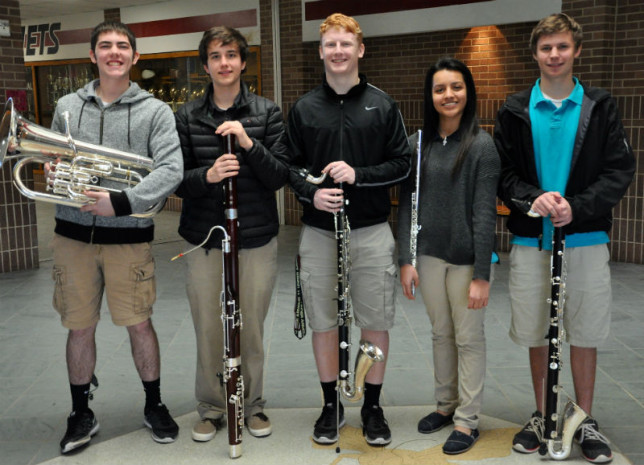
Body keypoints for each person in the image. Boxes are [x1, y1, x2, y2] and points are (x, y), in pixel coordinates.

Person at [494, 13, 635, 464]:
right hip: (532, 241)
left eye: (562, 47)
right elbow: (504, 175)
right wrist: (534, 198)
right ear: (534, 54)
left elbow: (619, 170)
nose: (554, 55)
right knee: (538, 333)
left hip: (585, 237)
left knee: (584, 332)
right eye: (546, 48)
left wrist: (580, 205)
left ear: (576, 51)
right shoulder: (516, 108)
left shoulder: (600, 105)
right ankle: (544, 413)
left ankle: (583, 418)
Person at [48, 21, 183, 453]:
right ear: (92, 55)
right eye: (105, 46)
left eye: (122, 46)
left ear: (135, 57)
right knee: (79, 329)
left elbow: (170, 170)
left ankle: (154, 403)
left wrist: (121, 202)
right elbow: (54, 160)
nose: (114, 52)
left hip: (128, 236)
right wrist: (52, 171)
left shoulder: (156, 111)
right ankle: (79, 412)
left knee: (140, 324)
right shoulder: (67, 106)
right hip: (73, 239)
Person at [286, 13, 411, 446]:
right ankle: (330, 405)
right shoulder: (304, 108)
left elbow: (401, 164)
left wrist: (359, 175)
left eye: (346, 43)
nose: (338, 51)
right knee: (323, 322)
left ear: (360, 49)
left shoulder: (382, 104)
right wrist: (310, 194)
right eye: (330, 44)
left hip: (371, 230)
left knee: (375, 322)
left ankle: (372, 406)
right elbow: (290, 165)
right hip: (320, 233)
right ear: (321, 51)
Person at [174, 26, 289, 442]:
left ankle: (252, 403)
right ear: (205, 65)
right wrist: (206, 176)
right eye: (216, 56)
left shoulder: (267, 113)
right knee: (208, 324)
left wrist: (248, 144)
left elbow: (280, 176)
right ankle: (210, 406)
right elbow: (175, 180)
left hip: (255, 238)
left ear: (243, 61)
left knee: (251, 326)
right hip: (204, 240)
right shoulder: (186, 116)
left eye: (232, 55)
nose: (225, 63)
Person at [398, 57, 500, 455]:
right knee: (441, 333)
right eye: (440, 88)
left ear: (468, 91)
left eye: (456, 87)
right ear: (430, 95)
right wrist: (405, 259)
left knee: (468, 337)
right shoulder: (417, 143)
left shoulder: (482, 145)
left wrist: (482, 274)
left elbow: (485, 213)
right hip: (427, 256)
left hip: (464, 261)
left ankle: (467, 420)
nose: (448, 95)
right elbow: (406, 204)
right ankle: (445, 405)